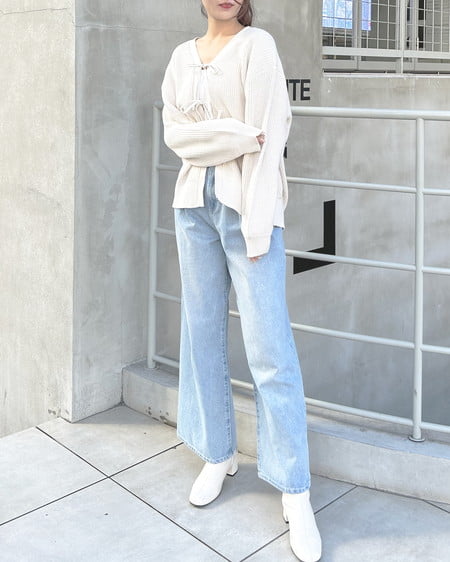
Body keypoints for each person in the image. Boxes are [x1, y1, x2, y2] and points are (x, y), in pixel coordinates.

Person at [161, 1, 322, 560]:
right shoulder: (180, 58)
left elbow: (269, 137)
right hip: (192, 208)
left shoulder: (259, 46)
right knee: (202, 334)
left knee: (269, 347)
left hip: (248, 209)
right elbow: (177, 138)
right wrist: (235, 135)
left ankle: (295, 488)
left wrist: (256, 224)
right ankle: (218, 452)